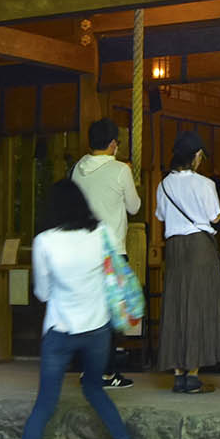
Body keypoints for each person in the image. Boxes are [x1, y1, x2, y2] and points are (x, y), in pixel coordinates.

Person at [8, 180, 135, 439]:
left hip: (60, 330)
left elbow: (42, 292)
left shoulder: (44, 241)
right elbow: (114, 274)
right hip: (97, 330)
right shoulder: (100, 233)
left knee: (44, 404)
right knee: (93, 387)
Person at [69, 118, 140, 388]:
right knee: (111, 315)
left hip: (83, 251)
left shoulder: (77, 168)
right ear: (113, 144)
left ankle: (87, 369)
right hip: (111, 252)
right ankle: (107, 372)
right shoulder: (120, 170)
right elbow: (134, 207)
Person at [154, 131, 220, 393]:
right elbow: (215, 217)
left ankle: (177, 374)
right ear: (196, 156)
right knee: (198, 306)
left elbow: (161, 215)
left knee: (175, 304)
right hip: (199, 246)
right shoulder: (204, 184)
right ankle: (193, 374)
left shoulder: (163, 185)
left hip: (174, 248)